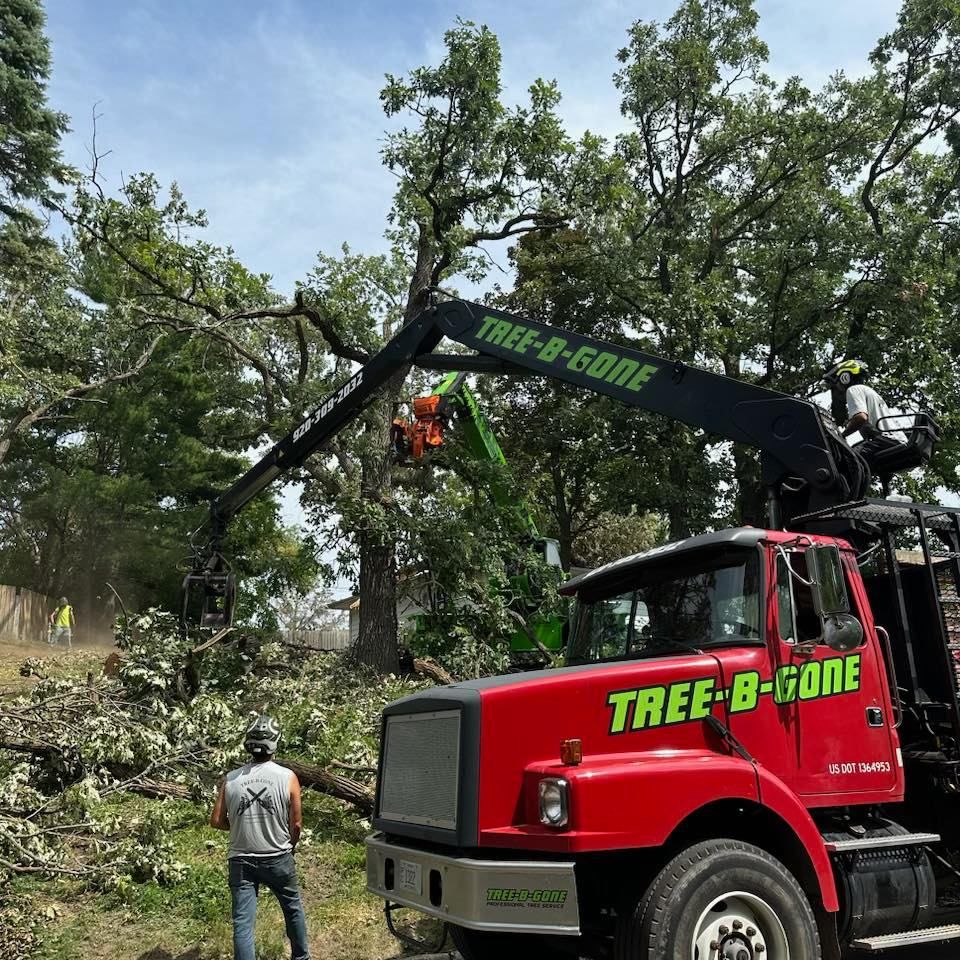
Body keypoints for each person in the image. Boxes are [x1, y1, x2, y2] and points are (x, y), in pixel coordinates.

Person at [210, 716, 310, 960]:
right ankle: (301, 958)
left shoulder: (231, 779)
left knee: (243, 923)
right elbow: (295, 823)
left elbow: (216, 820)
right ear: (274, 743)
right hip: (278, 856)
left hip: (241, 860)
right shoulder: (288, 777)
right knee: (292, 908)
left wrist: (237, 828)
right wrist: (290, 844)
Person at [823, 359, 907, 472]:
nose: (836, 388)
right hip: (895, 440)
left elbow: (861, 418)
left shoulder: (853, 390)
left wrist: (840, 436)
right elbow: (869, 428)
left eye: (836, 383)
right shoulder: (868, 392)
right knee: (861, 463)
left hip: (887, 439)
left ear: (845, 377)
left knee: (847, 460)